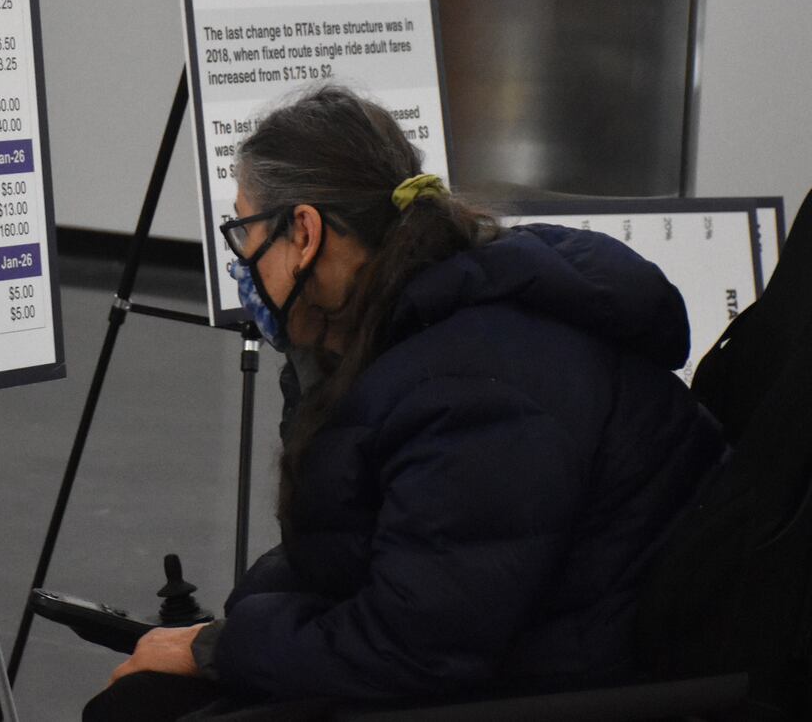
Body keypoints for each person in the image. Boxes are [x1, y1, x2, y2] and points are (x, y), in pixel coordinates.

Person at [85, 86, 725, 720]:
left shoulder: (471, 389)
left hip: (563, 676)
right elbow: (373, 553)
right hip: (522, 634)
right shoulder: (394, 329)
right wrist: (237, 628)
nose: (241, 262)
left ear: (304, 233)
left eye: (243, 233)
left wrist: (218, 646)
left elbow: (416, 646)